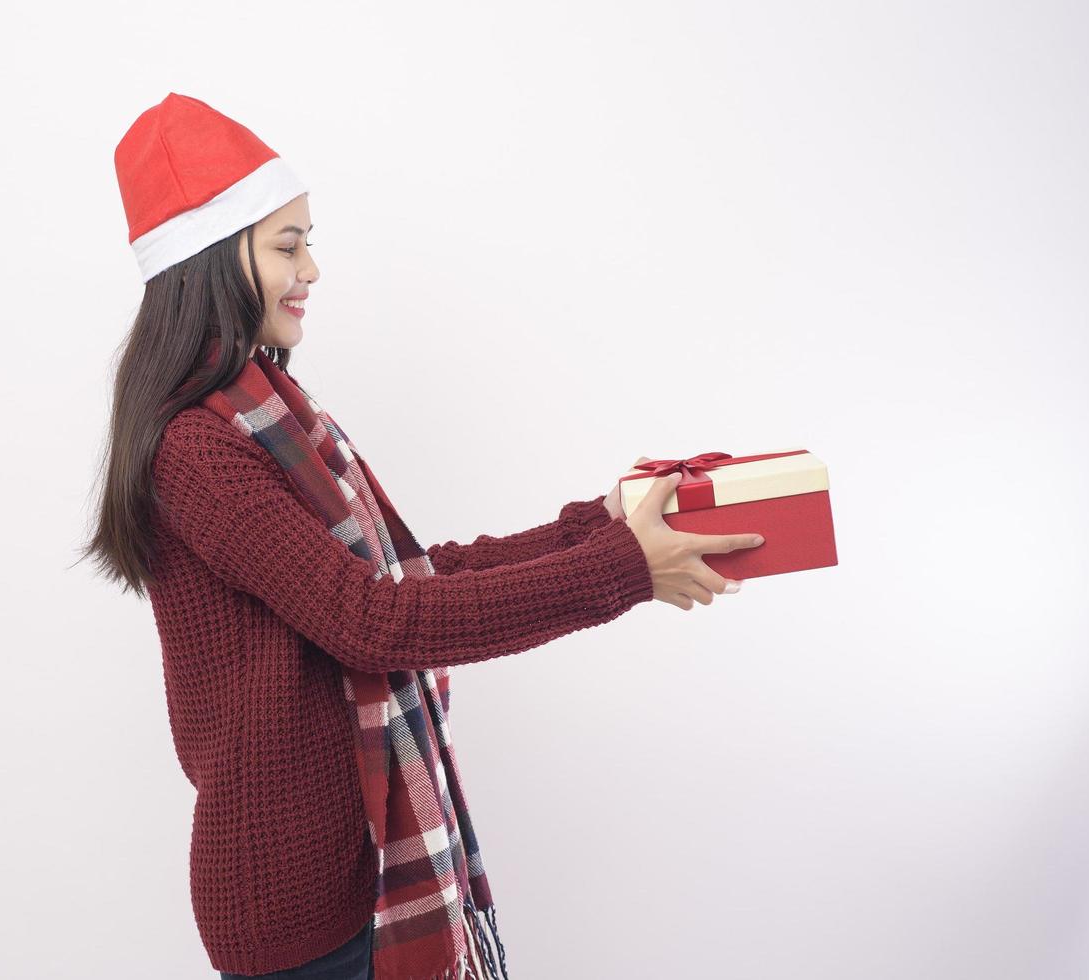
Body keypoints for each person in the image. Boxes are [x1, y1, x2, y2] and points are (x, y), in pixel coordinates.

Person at [81, 93, 763, 980]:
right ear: (210, 263)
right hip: (299, 909)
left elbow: (415, 579)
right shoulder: (199, 448)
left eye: (308, 241)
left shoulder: (274, 415)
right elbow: (376, 622)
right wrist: (620, 570)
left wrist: (595, 525)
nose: (313, 268)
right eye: (287, 246)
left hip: (350, 881)